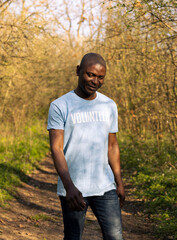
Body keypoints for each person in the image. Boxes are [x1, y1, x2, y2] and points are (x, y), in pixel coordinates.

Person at [47, 53, 125, 240]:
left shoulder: (109, 105)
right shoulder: (60, 105)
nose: (95, 81)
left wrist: (119, 182)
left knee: (115, 237)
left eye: (100, 77)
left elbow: (112, 146)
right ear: (78, 71)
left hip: (105, 187)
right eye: (90, 75)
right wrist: (69, 187)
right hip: (74, 189)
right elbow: (56, 149)